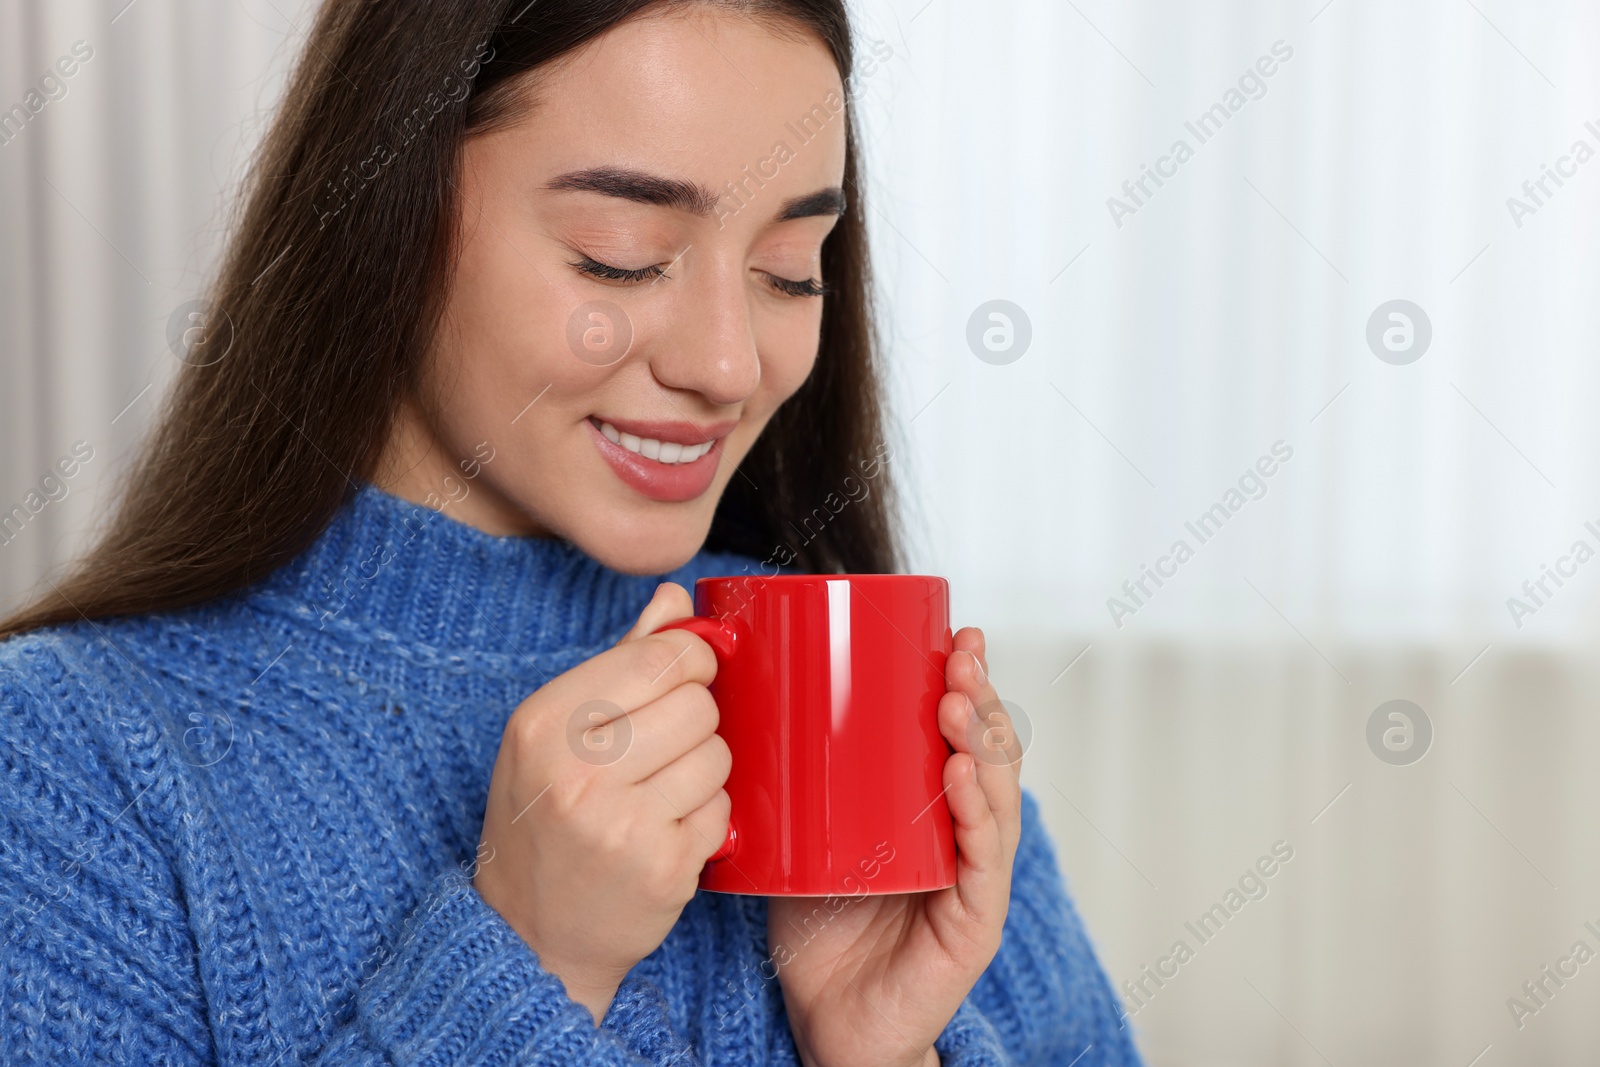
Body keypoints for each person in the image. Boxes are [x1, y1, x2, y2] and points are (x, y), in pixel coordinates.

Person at [0, 1, 1139, 1063]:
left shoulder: (861, 689)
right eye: (622, 254)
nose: (729, 364)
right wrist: (527, 961)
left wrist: (882, 1051)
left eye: (789, 273)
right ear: (382, 208)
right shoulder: (69, 761)